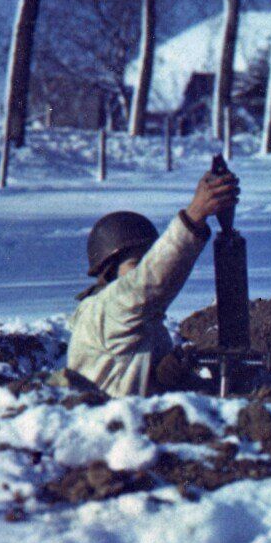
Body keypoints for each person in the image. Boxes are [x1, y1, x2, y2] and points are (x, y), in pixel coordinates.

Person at [65, 166, 241, 397]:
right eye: (135, 264)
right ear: (108, 273)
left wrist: (169, 377)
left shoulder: (142, 322)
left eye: (148, 261)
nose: (144, 269)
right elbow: (145, 283)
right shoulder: (102, 311)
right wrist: (194, 217)